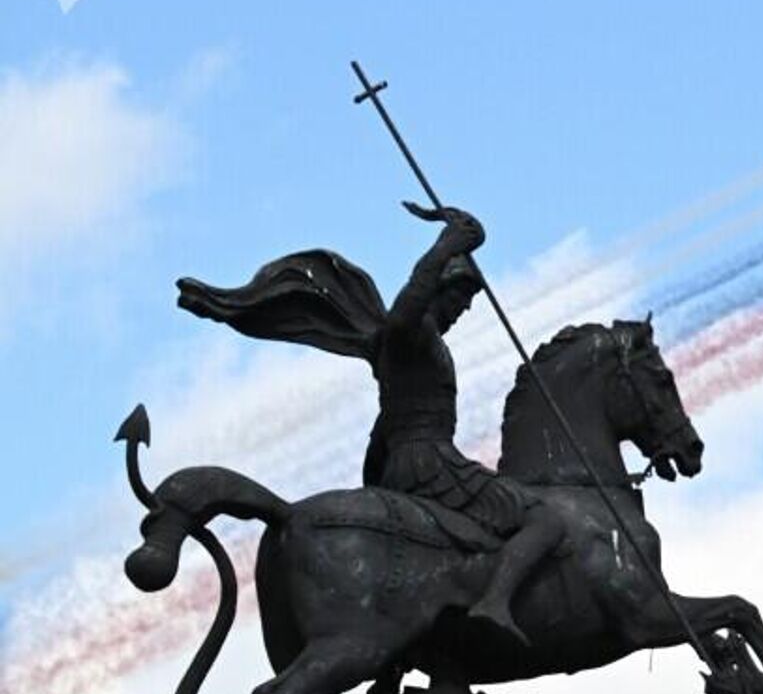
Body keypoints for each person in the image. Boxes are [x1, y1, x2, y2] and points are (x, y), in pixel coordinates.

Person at [175, 202, 565, 643]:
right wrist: (446, 245)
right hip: (432, 465)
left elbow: (383, 431)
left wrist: (376, 484)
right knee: (543, 519)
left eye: (470, 301)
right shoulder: (410, 336)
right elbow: (404, 312)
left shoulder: (415, 348)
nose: (464, 309)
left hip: (407, 466)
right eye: (460, 297)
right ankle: (495, 601)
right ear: (437, 290)